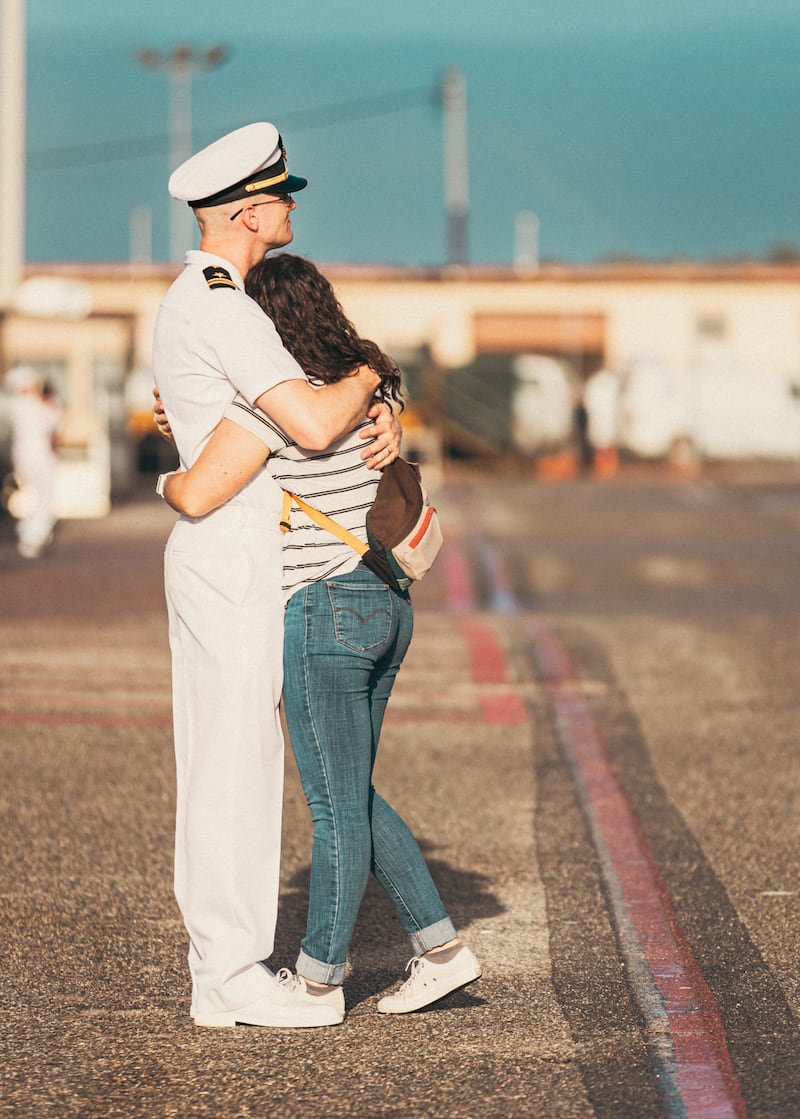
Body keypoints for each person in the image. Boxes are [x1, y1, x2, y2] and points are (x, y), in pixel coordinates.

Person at [159, 253, 481, 1024]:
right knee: (355, 795)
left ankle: (316, 978)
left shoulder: (282, 408)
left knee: (334, 809)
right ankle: (440, 951)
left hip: (324, 610)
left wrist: (167, 480)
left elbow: (202, 488)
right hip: (387, 603)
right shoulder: (359, 399)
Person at [152, 122, 401, 1030]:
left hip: (236, 545)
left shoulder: (210, 297)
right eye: (282, 194)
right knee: (232, 767)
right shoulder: (223, 303)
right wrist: (374, 368)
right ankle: (227, 974)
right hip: (231, 551)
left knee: (237, 761)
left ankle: (227, 970)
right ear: (250, 212)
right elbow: (310, 422)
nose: (292, 205)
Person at [5, 365, 60, 560]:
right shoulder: (32, 405)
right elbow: (54, 425)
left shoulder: (14, 406)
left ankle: (31, 534)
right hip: (39, 456)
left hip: (23, 456)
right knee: (43, 496)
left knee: (32, 495)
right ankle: (33, 536)